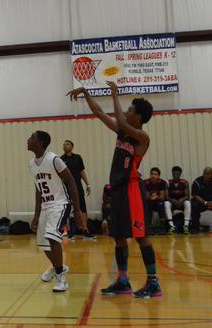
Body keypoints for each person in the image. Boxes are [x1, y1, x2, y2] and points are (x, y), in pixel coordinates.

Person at [68, 81, 161, 298]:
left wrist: (114, 94)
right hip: (118, 190)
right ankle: (123, 280)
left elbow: (119, 118)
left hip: (132, 189)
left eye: (130, 110)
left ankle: (153, 282)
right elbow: (99, 113)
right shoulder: (122, 132)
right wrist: (86, 93)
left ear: (138, 117)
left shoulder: (142, 137)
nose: (126, 112)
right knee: (118, 236)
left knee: (141, 236)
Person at [28, 131, 83, 293]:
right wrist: (36, 215)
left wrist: (77, 210)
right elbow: (38, 190)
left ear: (41, 142)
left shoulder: (54, 159)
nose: (28, 140)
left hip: (60, 204)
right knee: (44, 245)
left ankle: (61, 278)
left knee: (53, 238)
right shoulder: (32, 164)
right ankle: (58, 266)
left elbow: (72, 182)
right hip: (45, 206)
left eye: (32, 137)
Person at [60, 140, 94, 239]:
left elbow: (81, 171)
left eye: (67, 144)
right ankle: (69, 231)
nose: (65, 146)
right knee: (67, 208)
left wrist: (88, 184)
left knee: (82, 207)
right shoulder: (61, 159)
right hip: (66, 187)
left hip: (78, 186)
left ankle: (85, 230)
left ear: (72, 146)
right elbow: (60, 174)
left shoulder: (78, 157)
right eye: (63, 144)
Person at [167, 166, 191, 234]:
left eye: (177, 174)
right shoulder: (168, 182)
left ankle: (186, 226)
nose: (175, 176)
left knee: (187, 203)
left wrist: (181, 200)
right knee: (166, 203)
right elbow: (166, 197)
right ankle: (171, 226)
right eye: (174, 174)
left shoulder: (185, 182)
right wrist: (173, 200)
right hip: (172, 203)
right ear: (172, 174)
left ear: (180, 174)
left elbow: (187, 196)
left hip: (181, 203)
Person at [145, 168, 169, 232]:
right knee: (147, 204)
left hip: (158, 202)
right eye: (152, 174)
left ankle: (162, 226)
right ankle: (149, 226)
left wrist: (156, 197)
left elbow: (162, 197)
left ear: (158, 176)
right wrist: (151, 197)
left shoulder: (162, 182)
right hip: (149, 202)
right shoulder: (146, 182)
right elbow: (146, 196)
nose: (153, 176)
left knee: (161, 204)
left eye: (155, 174)